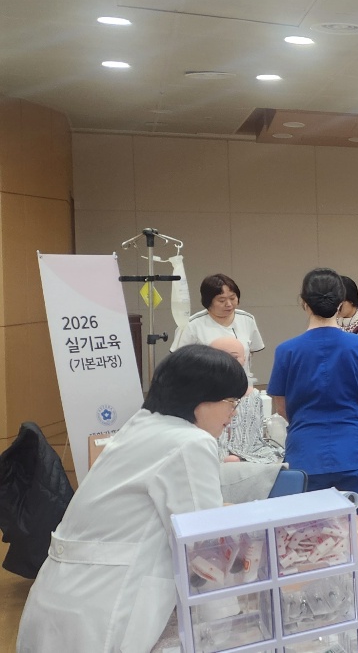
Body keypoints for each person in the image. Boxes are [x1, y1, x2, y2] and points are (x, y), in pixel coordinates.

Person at [17, 346, 247, 653]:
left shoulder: (141, 425)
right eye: (231, 402)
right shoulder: (190, 442)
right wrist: (227, 627)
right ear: (201, 398)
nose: (233, 414)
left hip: (61, 598)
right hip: (105, 606)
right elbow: (202, 550)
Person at [269, 269, 358, 523]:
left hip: (306, 453)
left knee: (307, 536)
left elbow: (281, 408)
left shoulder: (286, 351)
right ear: (340, 303)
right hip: (356, 450)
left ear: (304, 302)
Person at [171, 273, 266, 381]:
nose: (229, 304)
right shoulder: (191, 325)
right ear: (208, 301)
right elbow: (178, 361)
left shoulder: (247, 319)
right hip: (205, 385)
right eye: (221, 300)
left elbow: (251, 352)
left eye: (232, 298)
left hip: (241, 383)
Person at [209, 336, 284, 465]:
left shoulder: (253, 395)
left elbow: (254, 438)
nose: (228, 362)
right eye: (221, 356)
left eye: (234, 357)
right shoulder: (201, 395)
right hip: (211, 454)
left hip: (249, 455)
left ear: (244, 359)